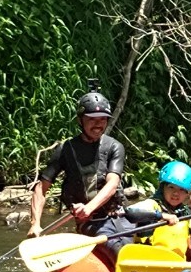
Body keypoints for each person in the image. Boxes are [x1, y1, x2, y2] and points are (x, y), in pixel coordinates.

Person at [28, 83, 125, 237]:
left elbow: (112, 183)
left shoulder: (114, 147)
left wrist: (90, 207)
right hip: (87, 221)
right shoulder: (65, 149)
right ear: (80, 121)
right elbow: (41, 188)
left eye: (102, 119)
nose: (98, 124)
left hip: (114, 215)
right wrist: (35, 224)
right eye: (92, 119)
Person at [120, 161, 191, 272]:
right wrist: (161, 216)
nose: (176, 193)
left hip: (176, 267)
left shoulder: (185, 214)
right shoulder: (152, 205)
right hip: (150, 268)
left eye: (181, 190)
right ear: (163, 187)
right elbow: (130, 212)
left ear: (187, 194)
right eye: (171, 187)